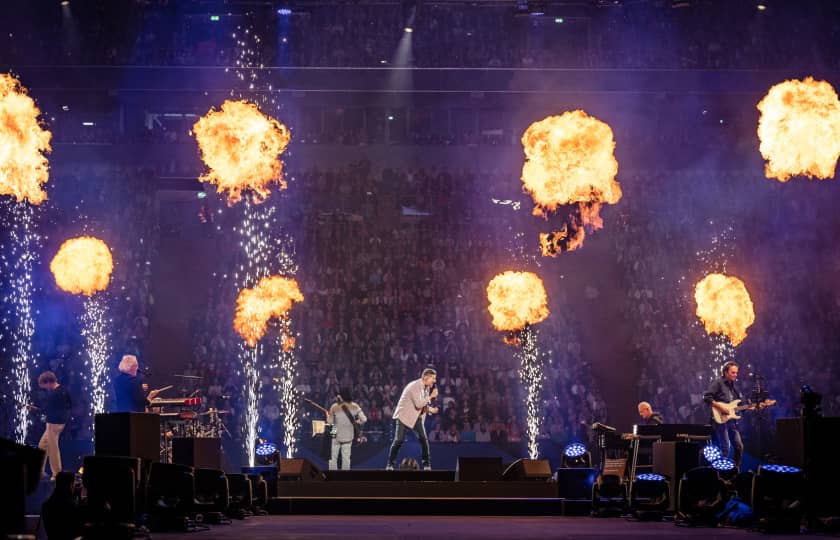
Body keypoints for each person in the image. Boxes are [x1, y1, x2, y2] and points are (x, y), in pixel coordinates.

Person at [386, 368, 439, 471]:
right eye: (433, 378)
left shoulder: (426, 388)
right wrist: (432, 396)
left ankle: (427, 465)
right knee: (398, 440)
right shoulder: (414, 386)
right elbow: (419, 404)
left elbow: (423, 405)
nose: (434, 381)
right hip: (403, 415)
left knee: (423, 440)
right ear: (425, 377)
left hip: (416, 417)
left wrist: (431, 410)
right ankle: (390, 465)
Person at [704, 361, 744, 467]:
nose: (735, 375)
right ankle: (720, 472)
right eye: (733, 372)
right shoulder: (718, 383)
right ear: (726, 372)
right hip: (720, 420)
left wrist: (754, 406)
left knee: (739, 446)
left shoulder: (734, 388)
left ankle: (735, 470)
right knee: (725, 447)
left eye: (736, 373)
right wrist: (720, 407)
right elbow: (707, 397)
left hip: (731, 421)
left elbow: (740, 405)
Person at [33, 371, 71, 480]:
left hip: (53, 424)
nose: (45, 389)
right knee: (42, 446)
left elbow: (47, 410)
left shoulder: (55, 394)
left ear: (49, 382)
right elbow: (68, 406)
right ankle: (38, 471)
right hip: (60, 422)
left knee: (53, 449)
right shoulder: (63, 390)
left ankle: (56, 474)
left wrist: (35, 411)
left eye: (44, 387)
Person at [326, 387, 367, 470]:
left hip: (335, 432)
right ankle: (345, 478)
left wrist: (328, 415)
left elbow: (330, 422)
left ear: (340, 396)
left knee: (333, 458)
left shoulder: (334, 406)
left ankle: (332, 478)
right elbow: (364, 419)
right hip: (348, 435)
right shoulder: (355, 406)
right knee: (346, 459)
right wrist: (356, 422)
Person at [41, 471, 82, 540]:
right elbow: (77, 529)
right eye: (74, 484)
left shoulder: (46, 504)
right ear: (71, 485)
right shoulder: (72, 506)